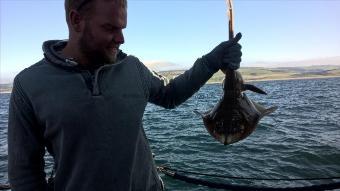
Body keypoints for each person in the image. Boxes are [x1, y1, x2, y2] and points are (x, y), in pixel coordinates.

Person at [7, 0, 242, 190]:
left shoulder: (133, 68)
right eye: (110, 28)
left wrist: (211, 61)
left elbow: (170, 95)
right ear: (76, 20)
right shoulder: (28, 85)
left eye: (122, 28)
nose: (121, 39)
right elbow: (25, 173)